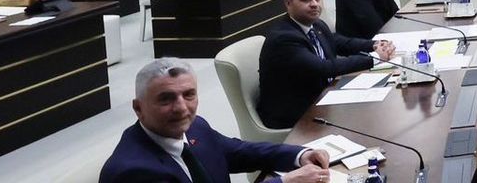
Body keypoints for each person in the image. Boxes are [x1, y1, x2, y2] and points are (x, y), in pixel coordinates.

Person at [101, 58, 330, 183]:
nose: (181, 108)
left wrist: (300, 155)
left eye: (188, 95)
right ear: (138, 108)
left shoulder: (195, 127)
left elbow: (240, 151)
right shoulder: (133, 172)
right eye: (166, 99)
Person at [258, 0, 395, 129]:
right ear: (288, 4)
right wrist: (374, 58)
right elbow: (323, 68)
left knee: (380, 105)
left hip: (322, 97)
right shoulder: (284, 38)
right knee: (368, 120)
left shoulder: (315, 24)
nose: (314, 4)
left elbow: (338, 42)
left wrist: (374, 45)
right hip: (297, 114)